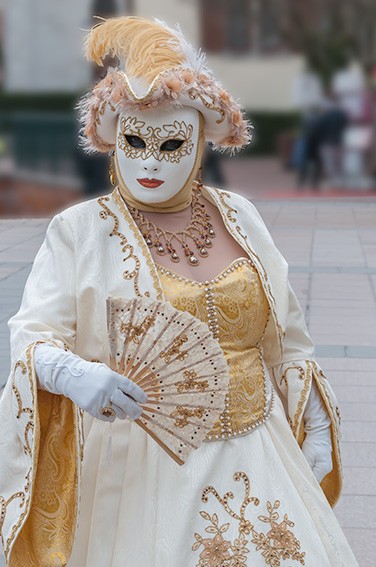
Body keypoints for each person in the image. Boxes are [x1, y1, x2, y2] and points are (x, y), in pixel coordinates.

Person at [0, 17, 358, 566]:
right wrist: (74, 374)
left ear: (198, 144)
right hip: (135, 464)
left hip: (260, 449)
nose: (149, 161)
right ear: (112, 137)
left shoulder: (239, 216)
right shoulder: (80, 230)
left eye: (171, 144)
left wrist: (309, 415)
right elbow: (31, 336)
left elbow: (286, 332)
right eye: (135, 140)